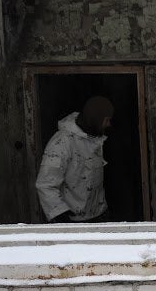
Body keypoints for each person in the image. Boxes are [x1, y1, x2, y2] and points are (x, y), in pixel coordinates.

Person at [35, 95, 114, 223]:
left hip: (100, 215)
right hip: (75, 220)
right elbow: (45, 184)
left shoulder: (96, 139)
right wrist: (61, 216)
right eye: (107, 120)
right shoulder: (62, 143)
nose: (109, 124)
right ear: (95, 119)